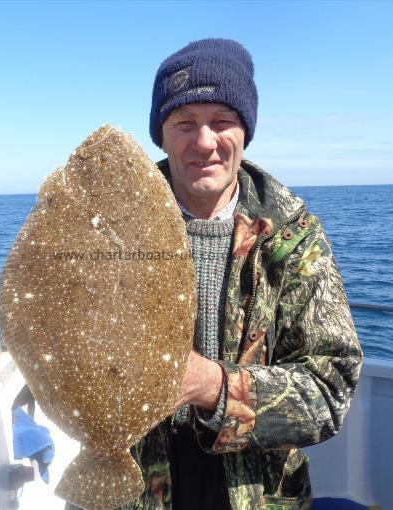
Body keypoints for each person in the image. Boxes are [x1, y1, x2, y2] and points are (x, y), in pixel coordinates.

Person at [135, 38, 361, 510]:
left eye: (222, 121)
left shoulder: (293, 237)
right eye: (184, 123)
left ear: (245, 132)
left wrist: (210, 385)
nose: (204, 142)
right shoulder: (112, 230)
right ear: (161, 134)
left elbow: (331, 387)